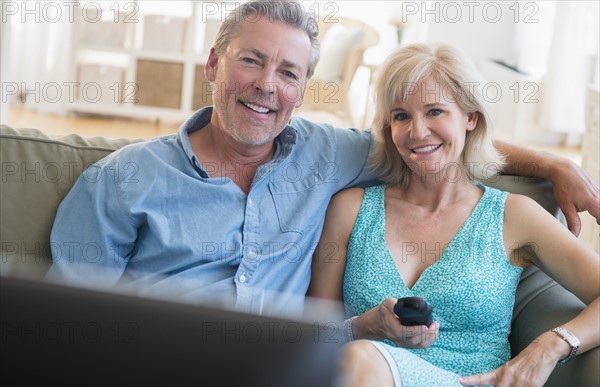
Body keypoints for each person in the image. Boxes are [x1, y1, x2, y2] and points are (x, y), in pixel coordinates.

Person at [47, 0, 599, 316]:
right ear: (214, 64)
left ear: (303, 89)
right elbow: (64, 320)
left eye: (288, 72)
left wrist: (553, 166)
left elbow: (433, 141)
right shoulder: (121, 179)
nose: (266, 85)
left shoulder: (332, 154)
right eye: (251, 61)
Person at [307, 42, 600, 387]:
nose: (417, 131)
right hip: (362, 380)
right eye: (401, 115)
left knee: (364, 360)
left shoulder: (514, 216)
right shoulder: (350, 209)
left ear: (470, 117)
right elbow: (314, 334)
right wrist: (363, 327)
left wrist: (552, 345)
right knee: (362, 359)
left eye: (434, 111)